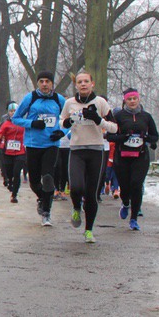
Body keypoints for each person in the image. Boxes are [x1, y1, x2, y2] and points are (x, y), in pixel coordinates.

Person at [60, 70, 118, 243]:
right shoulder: (70, 103)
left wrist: (98, 120)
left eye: (86, 81)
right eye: (80, 82)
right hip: (76, 150)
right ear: (76, 85)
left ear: (92, 84)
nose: (83, 84)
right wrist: (68, 122)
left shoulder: (100, 102)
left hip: (96, 150)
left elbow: (114, 127)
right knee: (76, 187)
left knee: (91, 194)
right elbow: (61, 122)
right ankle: (76, 207)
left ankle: (89, 230)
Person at [13, 71, 67, 227]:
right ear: (37, 83)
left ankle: (46, 212)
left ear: (52, 83)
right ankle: (42, 198)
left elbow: (70, 120)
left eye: (47, 81)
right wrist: (32, 123)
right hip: (33, 144)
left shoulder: (59, 100)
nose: (44, 84)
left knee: (48, 177)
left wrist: (62, 132)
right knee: (34, 182)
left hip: (51, 145)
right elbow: (16, 118)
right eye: (41, 81)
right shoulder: (30, 98)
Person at [107, 88, 159, 231]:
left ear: (138, 99)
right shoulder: (118, 116)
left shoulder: (146, 117)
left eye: (134, 98)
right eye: (129, 99)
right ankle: (125, 203)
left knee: (136, 185)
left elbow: (155, 136)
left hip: (140, 156)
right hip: (122, 157)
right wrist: (123, 137)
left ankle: (134, 218)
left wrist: (146, 137)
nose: (132, 101)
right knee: (125, 187)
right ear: (125, 101)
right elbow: (109, 136)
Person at [0, 106, 26, 203]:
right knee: (9, 172)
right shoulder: (6, 124)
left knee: (17, 172)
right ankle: (9, 181)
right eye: (11, 111)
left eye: (15, 111)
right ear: (8, 112)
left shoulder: (23, 123)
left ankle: (14, 195)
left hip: (20, 151)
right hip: (8, 152)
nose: (13, 112)